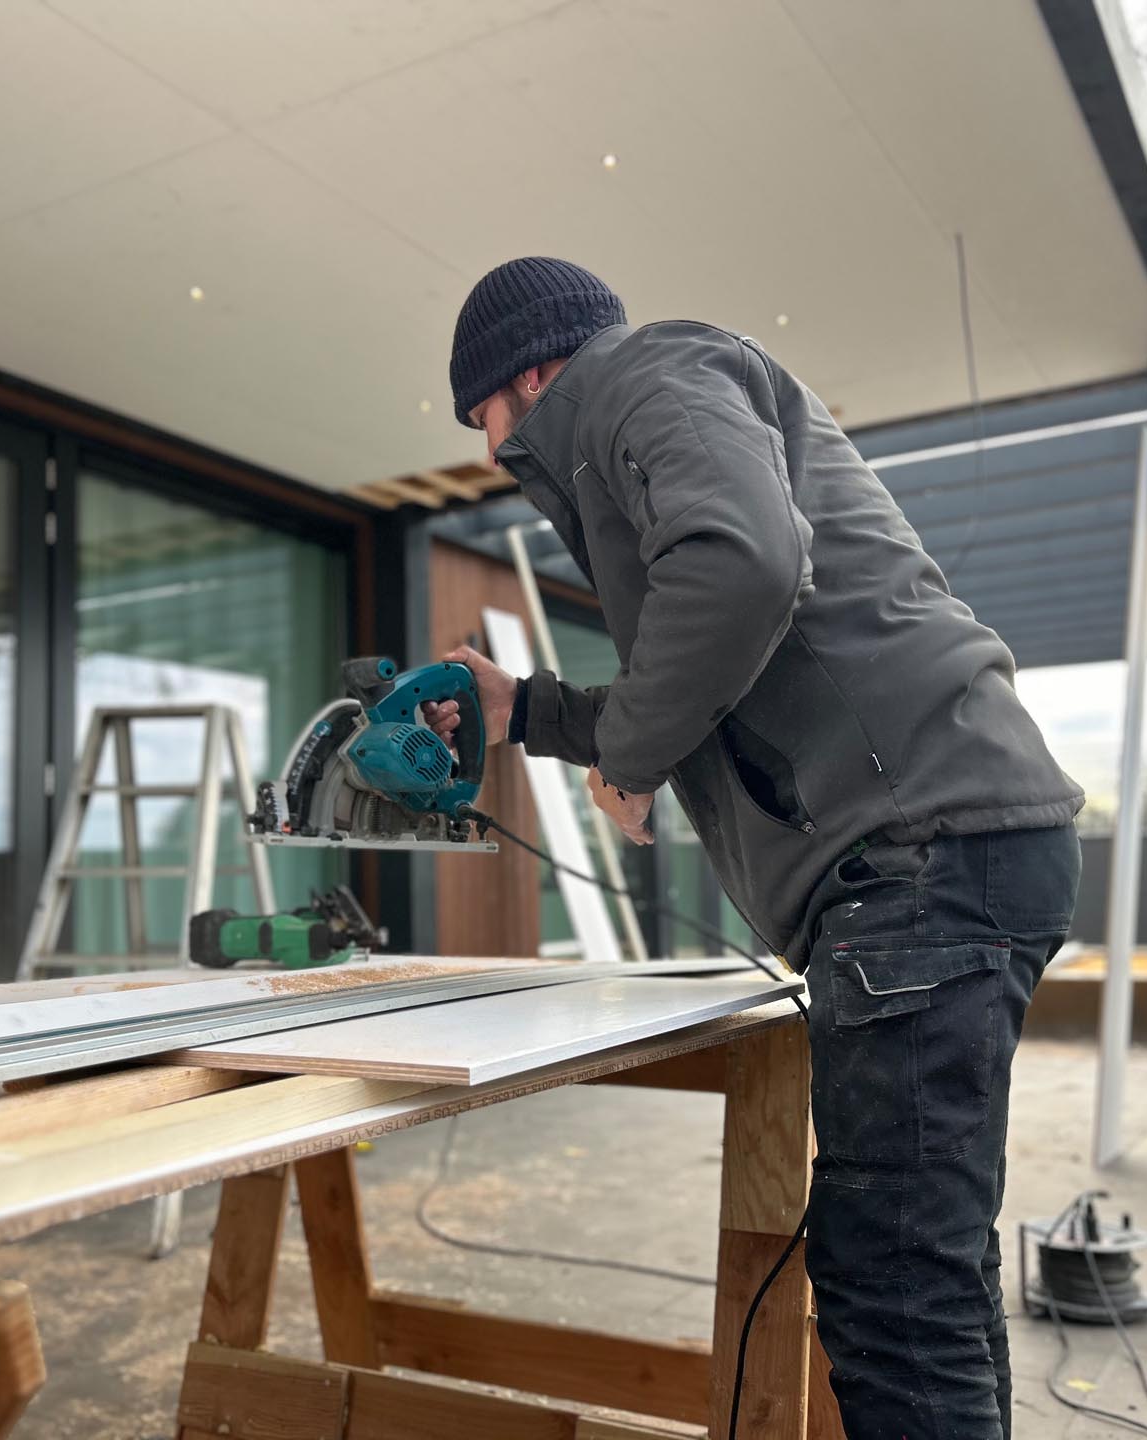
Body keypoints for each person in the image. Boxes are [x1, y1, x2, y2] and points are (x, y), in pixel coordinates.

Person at [421, 257, 1083, 1438]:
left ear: (530, 374)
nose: (487, 451)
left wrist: (630, 758)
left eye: (483, 417)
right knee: (927, 1266)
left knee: (893, 1287)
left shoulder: (648, 372)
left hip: (918, 857)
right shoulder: (647, 413)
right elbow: (710, 667)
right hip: (940, 850)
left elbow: (745, 566)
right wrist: (526, 710)